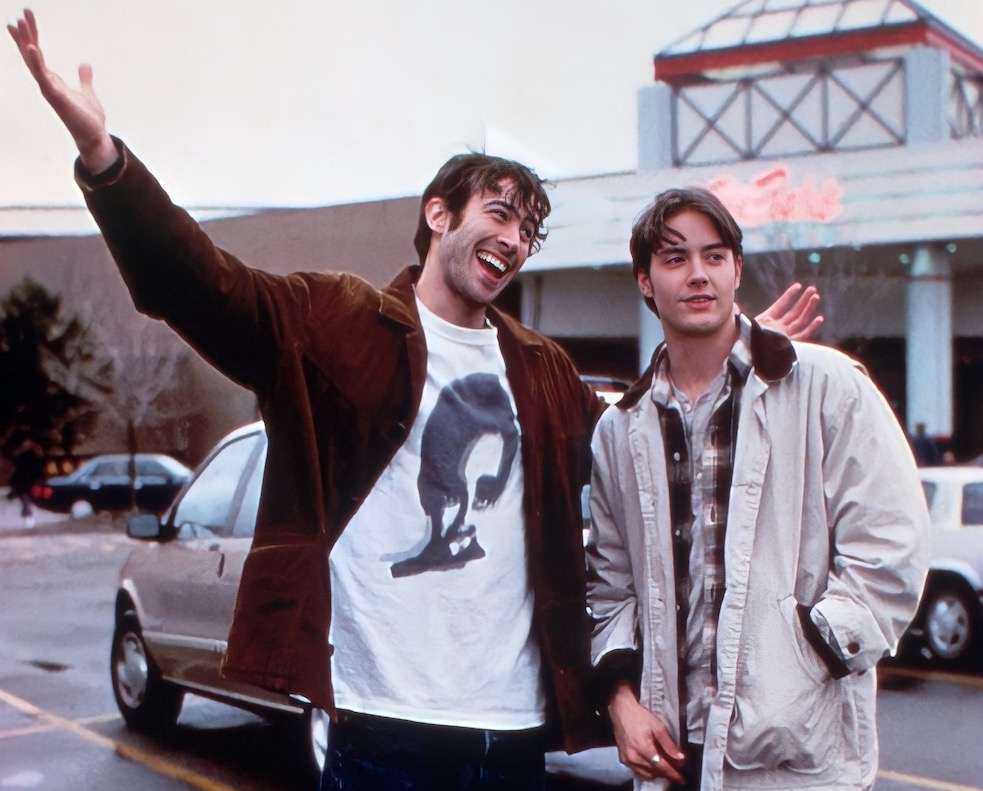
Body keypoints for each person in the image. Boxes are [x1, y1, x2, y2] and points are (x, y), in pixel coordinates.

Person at [9, 12, 821, 789]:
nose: (513, 240)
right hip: (381, 723)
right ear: (438, 213)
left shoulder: (540, 369)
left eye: (527, 231)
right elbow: (201, 285)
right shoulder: (335, 321)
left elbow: (639, 442)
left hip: (513, 728)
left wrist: (724, 353)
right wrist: (105, 160)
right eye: (498, 213)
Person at [586, 188, 930, 791]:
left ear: (737, 269)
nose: (698, 274)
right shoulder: (621, 428)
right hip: (671, 758)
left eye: (714, 256)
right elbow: (609, 589)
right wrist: (620, 700)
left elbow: (891, 549)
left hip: (797, 757)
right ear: (645, 281)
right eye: (675, 258)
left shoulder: (827, 385)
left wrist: (805, 659)